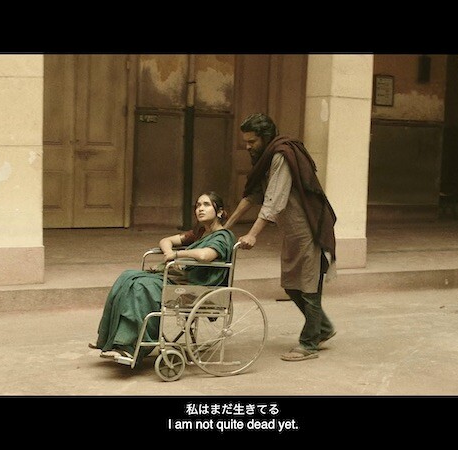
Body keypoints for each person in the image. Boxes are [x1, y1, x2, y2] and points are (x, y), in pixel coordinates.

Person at [224, 113, 337, 362]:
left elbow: (273, 201)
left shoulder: (282, 156)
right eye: (246, 141)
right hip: (291, 232)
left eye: (252, 141)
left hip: (308, 230)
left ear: (265, 137)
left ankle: (309, 343)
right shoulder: (265, 158)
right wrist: (224, 227)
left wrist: (253, 234)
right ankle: (324, 327)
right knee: (291, 285)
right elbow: (253, 195)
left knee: (308, 286)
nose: (248, 146)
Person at [89, 191, 235, 362]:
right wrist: (169, 253)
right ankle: (108, 340)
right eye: (198, 205)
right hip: (178, 279)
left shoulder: (223, 236)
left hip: (195, 287)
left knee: (141, 286)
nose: (200, 209)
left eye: (206, 205)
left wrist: (178, 255)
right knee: (127, 276)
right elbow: (166, 241)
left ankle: (130, 348)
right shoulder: (199, 233)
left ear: (219, 212)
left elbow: (205, 255)